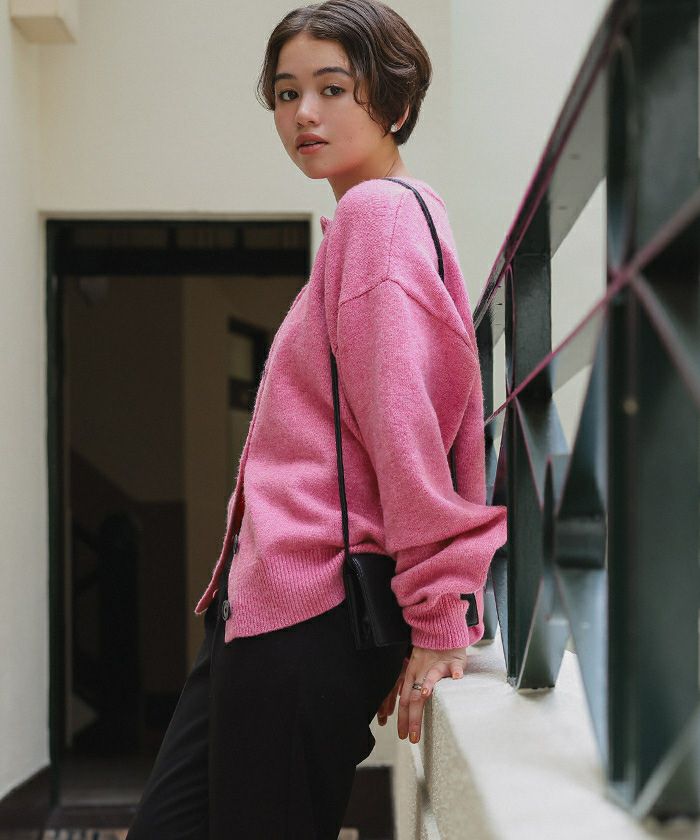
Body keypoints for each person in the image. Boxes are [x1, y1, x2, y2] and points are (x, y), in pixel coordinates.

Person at [126, 1, 507, 837]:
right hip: (267, 604)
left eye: (333, 88)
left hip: (310, 611)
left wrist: (438, 616)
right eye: (286, 92)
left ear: (395, 102)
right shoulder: (377, 222)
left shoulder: (378, 218)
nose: (304, 113)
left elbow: (409, 431)